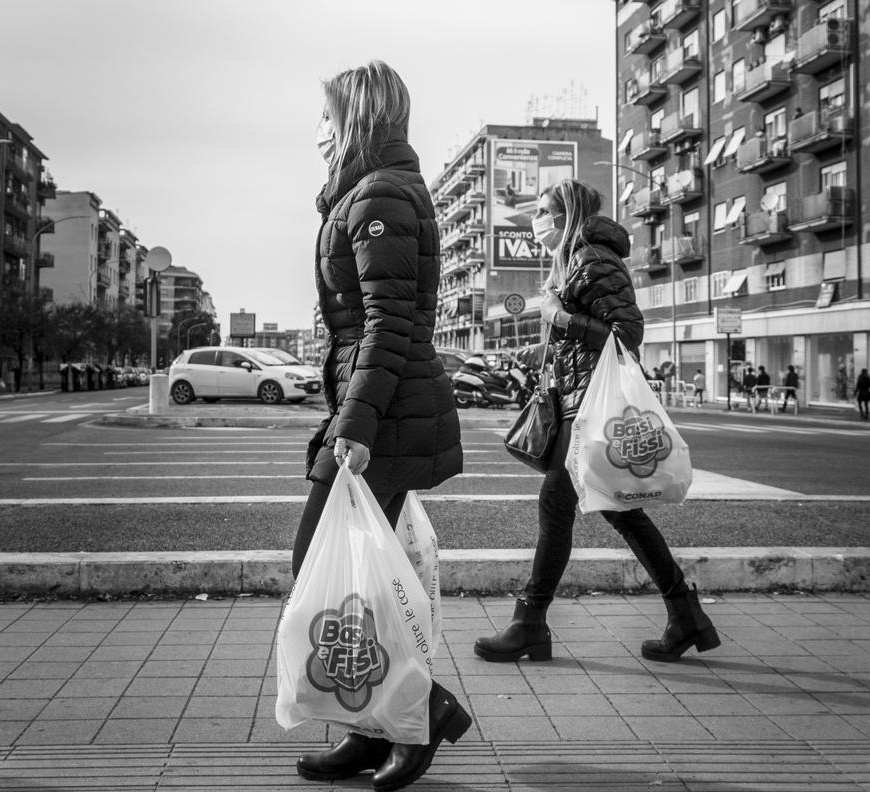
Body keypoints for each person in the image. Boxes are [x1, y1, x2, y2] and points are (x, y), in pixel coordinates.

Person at [293, 61, 469, 792]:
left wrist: (355, 424)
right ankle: (371, 730)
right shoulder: (363, 194)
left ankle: (423, 712)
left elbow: (389, 321)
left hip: (389, 419)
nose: (319, 132)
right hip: (378, 409)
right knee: (354, 584)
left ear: (357, 118)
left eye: (327, 118)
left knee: (318, 564)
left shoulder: (382, 195)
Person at [473, 178, 719, 671]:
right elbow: (590, 340)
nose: (537, 220)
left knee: (561, 508)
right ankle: (684, 615)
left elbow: (628, 334)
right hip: (577, 404)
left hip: (589, 410)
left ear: (568, 214)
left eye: (545, 210)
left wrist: (559, 318)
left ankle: (530, 624)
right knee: (616, 511)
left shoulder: (591, 258)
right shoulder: (577, 260)